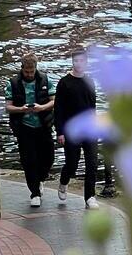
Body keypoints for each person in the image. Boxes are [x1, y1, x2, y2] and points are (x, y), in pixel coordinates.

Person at [5, 54, 56, 208]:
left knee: (49, 156)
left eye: (31, 71)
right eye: (26, 72)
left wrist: (42, 108)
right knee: (29, 161)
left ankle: (41, 178)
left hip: (43, 125)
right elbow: (8, 106)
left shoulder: (46, 80)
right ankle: (34, 193)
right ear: (22, 69)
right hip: (24, 127)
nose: (29, 74)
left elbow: (54, 101)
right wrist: (21, 109)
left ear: (35, 69)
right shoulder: (12, 83)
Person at [54, 50, 99, 209]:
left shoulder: (90, 82)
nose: (78, 63)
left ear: (86, 62)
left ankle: (90, 197)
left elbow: (92, 106)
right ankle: (64, 180)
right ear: (72, 62)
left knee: (92, 163)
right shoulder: (64, 83)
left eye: (81, 61)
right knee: (72, 163)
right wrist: (60, 131)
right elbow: (58, 109)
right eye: (75, 61)